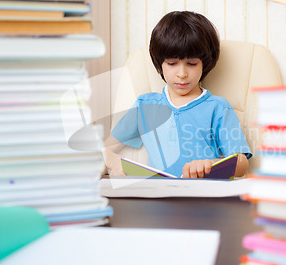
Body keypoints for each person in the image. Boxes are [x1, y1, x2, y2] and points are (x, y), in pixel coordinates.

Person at [104, 11, 251, 178]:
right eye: (172, 63)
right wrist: (115, 162)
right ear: (160, 65)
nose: (182, 73)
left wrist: (211, 164)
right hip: (157, 196)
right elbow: (106, 149)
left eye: (192, 63)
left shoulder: (218, 107)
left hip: (203, 196)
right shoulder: (145, 106)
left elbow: (242, 163)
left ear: (205, 63)